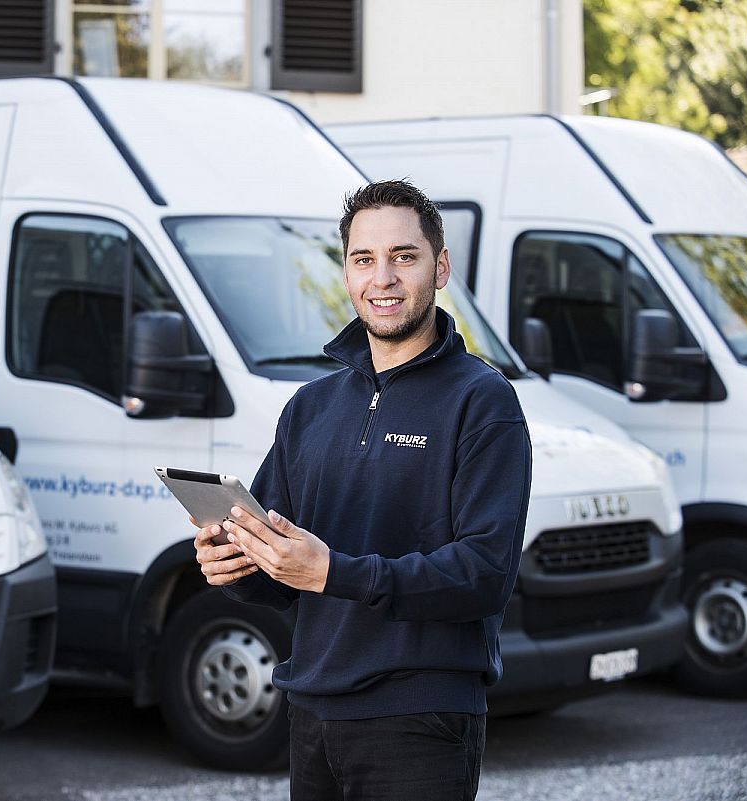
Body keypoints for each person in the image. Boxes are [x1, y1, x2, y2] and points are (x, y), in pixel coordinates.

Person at [193, 180, 531, 801]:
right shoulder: (310, 408)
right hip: (313, 710)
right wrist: (234, 565)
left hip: (420, 720)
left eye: (405, 257)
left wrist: (335, 572)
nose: (384, 278)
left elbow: (485, 574)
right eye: (364, 260)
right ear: (346, 275)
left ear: (441, 267)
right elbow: (279, 565)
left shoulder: (483, 403)